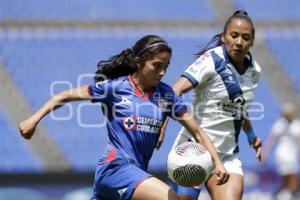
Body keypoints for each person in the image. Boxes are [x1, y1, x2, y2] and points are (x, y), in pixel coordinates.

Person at [19, 35, 229, 200]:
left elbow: (198, 133)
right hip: (115, 168)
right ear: (139, 62)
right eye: (157, 65)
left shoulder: (167, 96)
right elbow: (66, 94)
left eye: (166, 66)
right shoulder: (115, 88)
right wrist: (33, 119)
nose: (163, 72)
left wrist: (218, 163)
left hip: (134, 175)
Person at [158, 10, 262, 200]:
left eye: (246, 37)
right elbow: (173, 92)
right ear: (223, 37)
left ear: (252, 41)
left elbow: (238, 107)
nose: (239, 42)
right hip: (194, 149)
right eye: (234, 35)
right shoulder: (211, 60)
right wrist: (162, 125)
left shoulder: (255, 71)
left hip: (227, 154)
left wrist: (252, 135)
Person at [264, 103, 300, 200]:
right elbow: (272, 140)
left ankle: (275, 195)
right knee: (293, 179)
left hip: (293, 155)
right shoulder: (280, 124)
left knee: (286, 181)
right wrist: (265, 154)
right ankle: (293, 195)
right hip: (283, 155)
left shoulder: (297, 124)